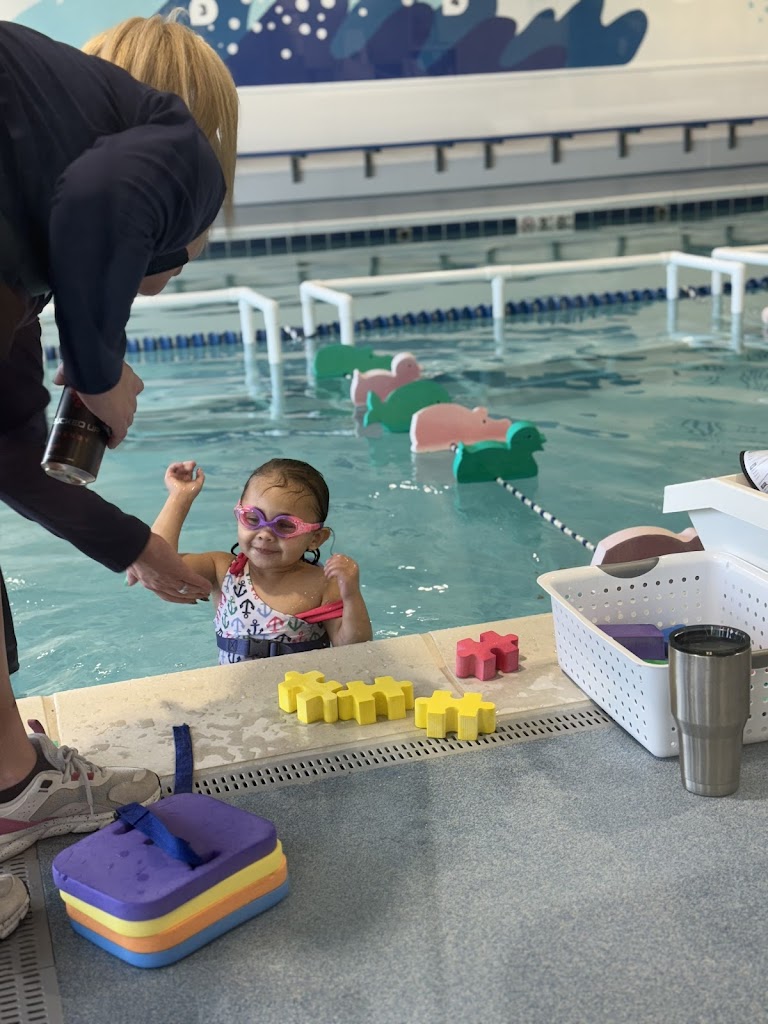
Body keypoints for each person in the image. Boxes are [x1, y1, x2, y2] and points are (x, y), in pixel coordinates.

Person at [0, 11, 239, 921]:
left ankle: (12, 788)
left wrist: (138, 546)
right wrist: (97, 372)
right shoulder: (172, 142)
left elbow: (13, 453)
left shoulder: (20, 243)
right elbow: (105, 196)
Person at [152, 459, 373, 660]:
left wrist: (351, 594)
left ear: (315, 539)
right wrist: (179, 497)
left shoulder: (324, 584)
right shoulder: (223, 571)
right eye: (253, 518)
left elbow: (354, 650)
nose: (265, 534)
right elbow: (158, 567)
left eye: (285, 525)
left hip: (301, 689)